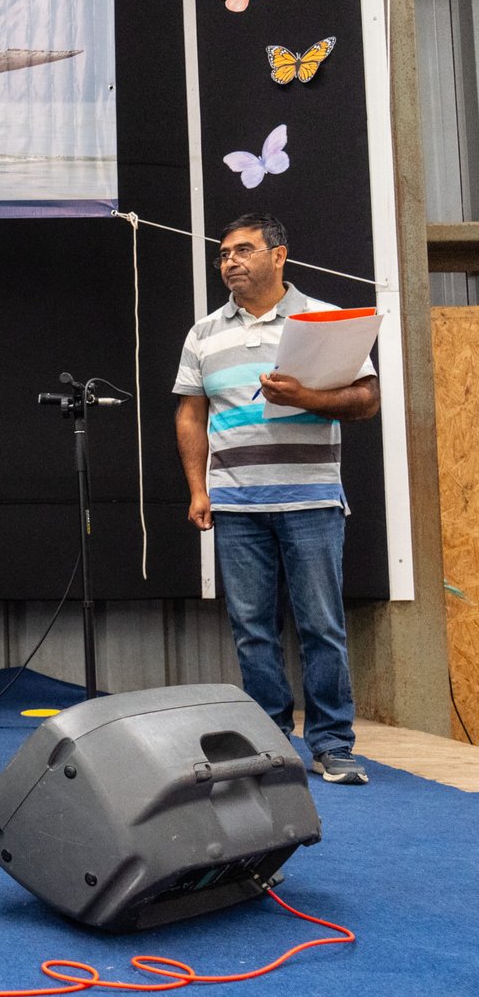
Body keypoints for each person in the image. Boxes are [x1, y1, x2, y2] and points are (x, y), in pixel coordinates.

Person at [173, 212, 379, 785]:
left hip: (311, 500)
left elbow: (366, 401)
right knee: (252, 629)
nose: (229, 262)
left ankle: (333, 745)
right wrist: (197, 489)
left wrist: (307, 397)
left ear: (279, 255)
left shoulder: (323, 319)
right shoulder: (203, 333)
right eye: (223, 254)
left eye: (243, 250)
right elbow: (190, 413)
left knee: (322, 627)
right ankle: (269, 742)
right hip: (236, 505)